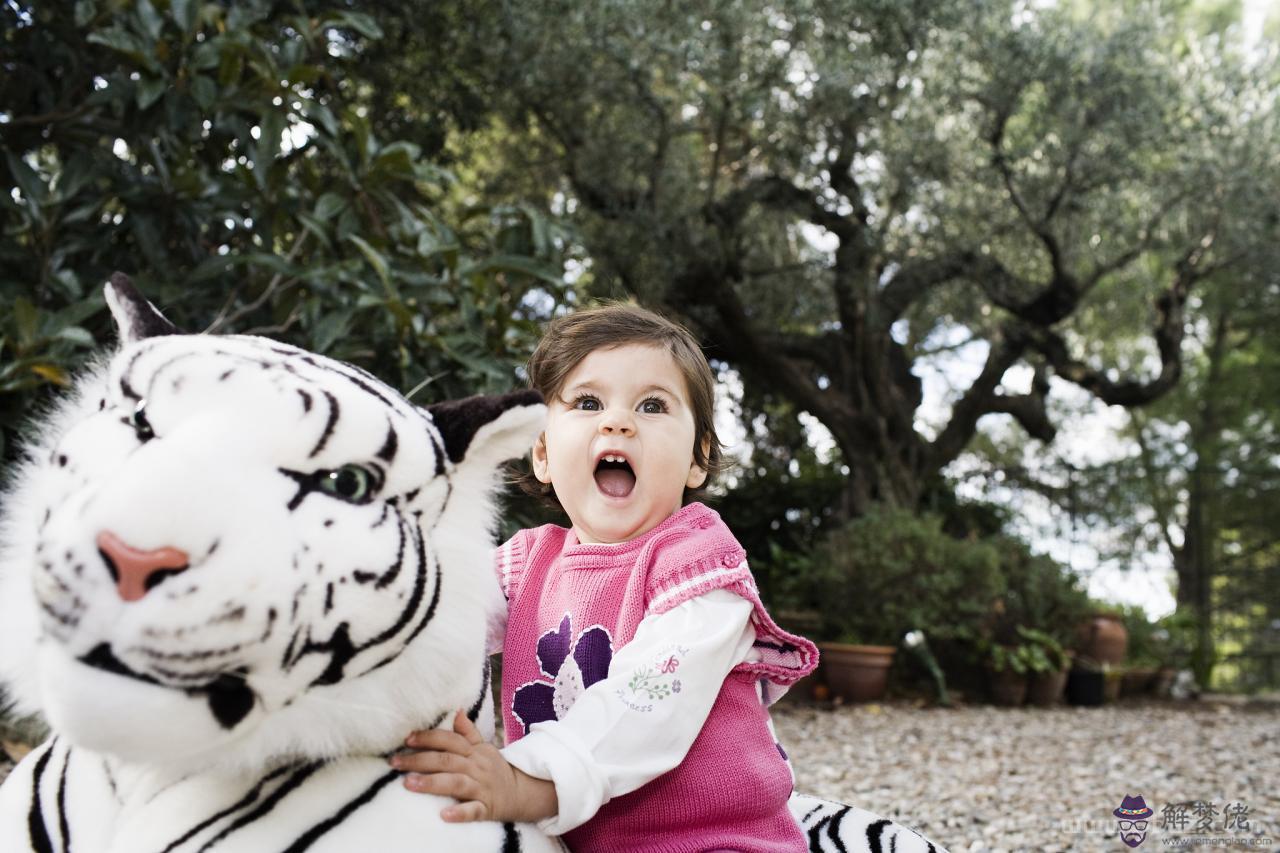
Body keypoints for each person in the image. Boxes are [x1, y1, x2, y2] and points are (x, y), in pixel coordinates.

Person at [391, 304, 818, 850]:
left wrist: (523, 781)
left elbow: (648, 703)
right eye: (588, 402)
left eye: (652, 405)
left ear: (697, 458)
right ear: (543, 453)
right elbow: (438, 618)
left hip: (716, 840)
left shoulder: (700, 565)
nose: (617, 421)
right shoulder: (526, 562)